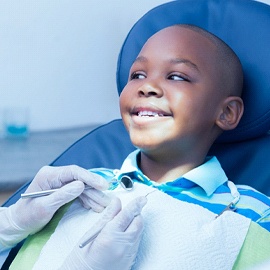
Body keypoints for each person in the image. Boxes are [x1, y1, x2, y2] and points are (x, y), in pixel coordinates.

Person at [1, 24, 270, 269]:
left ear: (227, 112)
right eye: (137, 74)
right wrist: (9, 226)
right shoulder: (77, 192)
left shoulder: (253, 216)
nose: (148, 86)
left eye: (177, 77)